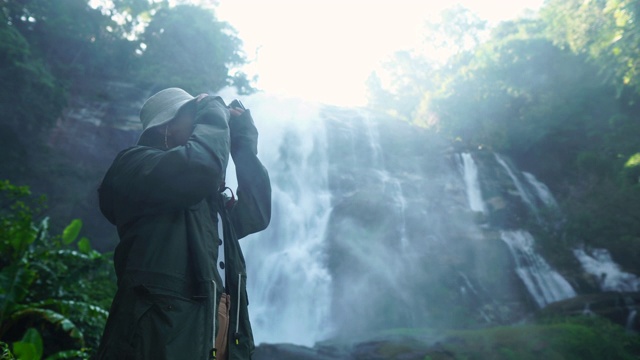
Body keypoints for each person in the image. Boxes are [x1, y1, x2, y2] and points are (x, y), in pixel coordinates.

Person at [95, 88, 271, 360]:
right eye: (194, 115)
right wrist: (213, 110)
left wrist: (243, 146)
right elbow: (199, 168)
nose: (203, 122)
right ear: (166, 128)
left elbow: (256, 213)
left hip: (221, 329)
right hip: (165, 333)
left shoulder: (207, 202)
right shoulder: (134, 165)